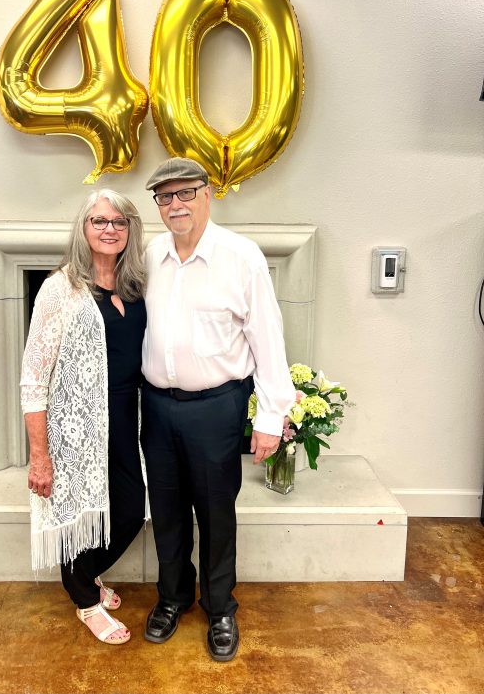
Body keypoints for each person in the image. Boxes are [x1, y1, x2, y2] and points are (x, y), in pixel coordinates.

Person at [140, 157, 295, 662]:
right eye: (165, 197)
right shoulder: (149, 254)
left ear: (209, 194)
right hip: (157, 406)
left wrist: (271, 419)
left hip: (216, 407)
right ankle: (173, 596)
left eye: (186, 192)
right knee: (165, 510)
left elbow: (268, 341)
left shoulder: (240, 256)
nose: (176, 204)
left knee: (214, 511)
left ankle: (220, 605)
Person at [20, 189, 147, 646]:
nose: (109, 229)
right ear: (84, 228)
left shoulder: (136, 286)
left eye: (118, 221)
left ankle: (87, 576)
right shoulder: (61, 288)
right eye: (99, 221)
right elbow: (34, 376)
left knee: (130, 508)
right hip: (75, 422)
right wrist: (41, 456)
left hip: (124, 416)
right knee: (77, 515)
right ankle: (85, 602)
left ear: (130, 230)